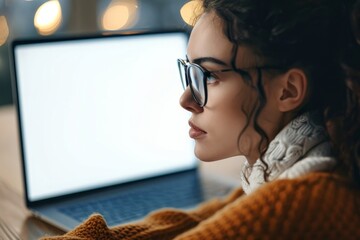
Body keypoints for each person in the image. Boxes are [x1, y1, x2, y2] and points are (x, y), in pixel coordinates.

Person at [42, 0, 360, 239]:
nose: (186, 100)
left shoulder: (301, 200)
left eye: (208, 76)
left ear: (288, 90)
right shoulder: (299, 164)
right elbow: (199, 218)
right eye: (189, 72)